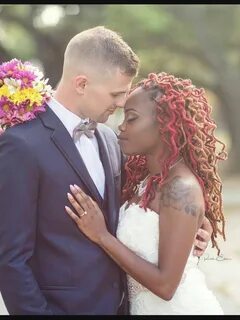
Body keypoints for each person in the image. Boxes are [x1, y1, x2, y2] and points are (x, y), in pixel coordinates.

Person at [0, 27, 211, 315]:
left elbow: (142, 207)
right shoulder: (22, 145)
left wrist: (197, 227)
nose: (123, 103)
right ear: (82, 84)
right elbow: (9, 259)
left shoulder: (111, 140)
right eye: (117, 93)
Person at [65, 72, 227, 315]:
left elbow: (166, 286)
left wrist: (102, 236)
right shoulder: (146, 180)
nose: (121, 126)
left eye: (131, 118)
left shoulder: (180, 188)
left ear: (164, 123)